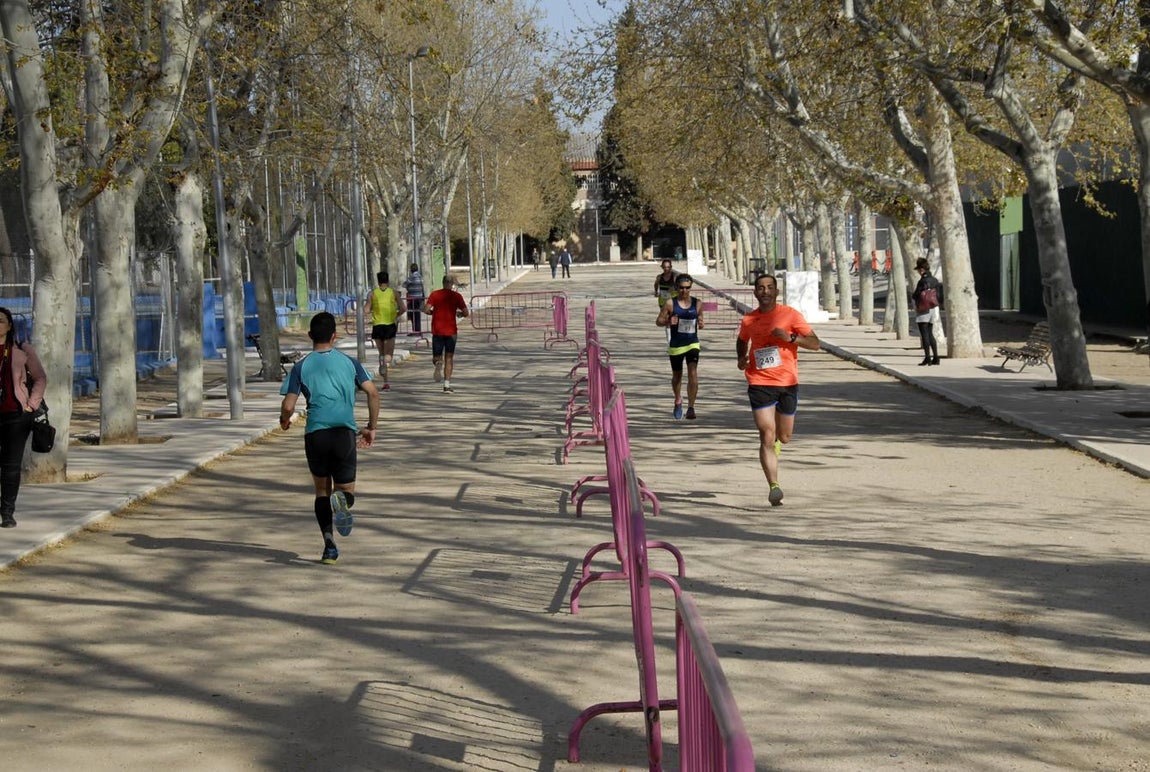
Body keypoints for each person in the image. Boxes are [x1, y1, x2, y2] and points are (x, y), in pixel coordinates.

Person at [279, 312, 380, 564]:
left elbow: (289, 405)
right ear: (335, 336)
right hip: (344, 433)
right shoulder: (350, 363)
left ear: (310, 335)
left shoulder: (300, 367)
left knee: (321, 491)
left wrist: (284, 420)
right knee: (346, 492)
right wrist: (370, 427)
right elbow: (373, 393)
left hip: (316, 435)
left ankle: (329, 545)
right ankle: (342, 501)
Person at [735, 273, 820, 507]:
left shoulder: (790, 315)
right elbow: (742, 340)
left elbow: (815, 343)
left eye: (769, 287)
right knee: (766, 435)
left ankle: (778, 445)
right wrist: (741, 357)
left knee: (784, 436)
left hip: (787, 383)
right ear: (755, 292)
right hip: (759, 381)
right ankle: (774, 486)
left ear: (776, 292)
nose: (765, 291)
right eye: (760, 288)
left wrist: (791, 338)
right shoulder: (749, 320)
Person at [0, 307, 46, 528]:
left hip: (16, 416)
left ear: (9, 325)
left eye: (1, 321)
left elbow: (40, 378)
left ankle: (7, 513)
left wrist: (31, 404)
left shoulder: (21, 349)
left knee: (10, 467)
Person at [656, 273, 704, 420]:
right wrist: (669, 321)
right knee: (677, 376)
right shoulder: (671, 303)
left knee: (693, 373)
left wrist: (701, 323)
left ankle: (691, 407)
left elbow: (700, 319)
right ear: (677, 287)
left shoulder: (697, 303)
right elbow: (658, 321)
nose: (684, 291)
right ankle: (678, 400)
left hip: (692, 343)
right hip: (676, 345)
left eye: (687, 288)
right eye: (682, 288)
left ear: (691, 287)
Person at [422, 275, 470, 394]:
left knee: (437, 357)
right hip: (451, 331)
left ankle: (438, 363)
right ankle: (447, 385)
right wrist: (459, 314)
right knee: (449, 358)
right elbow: (466, 312)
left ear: (443, 282)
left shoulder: (435, 294)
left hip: (438, 330)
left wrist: (433, 312)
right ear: (452, 284)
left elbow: (426, 309)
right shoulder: (457, 296)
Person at [365, 271, 400, 389]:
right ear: (388, 280)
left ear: (378, 281)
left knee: (381, 353)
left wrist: (369, 308)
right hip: (390, 325)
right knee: (389, 355)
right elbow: (404, 308)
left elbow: (366, 310)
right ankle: (384, 365)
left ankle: (385, 382)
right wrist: (396, 314)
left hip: (377, 326)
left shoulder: (372, 293)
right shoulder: (393, 293)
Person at [911, 257, 944, 366]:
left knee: (924, 333)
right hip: (933, 308)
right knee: (930, 333)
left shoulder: (922, 281)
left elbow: (916, 295)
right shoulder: (934, 280)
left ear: (921, 270)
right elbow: (939, 295)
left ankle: (927, 358)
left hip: (923, 309)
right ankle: (936, 357)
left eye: (919, 270)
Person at [404, 263, 425, 335]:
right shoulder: (420, 277)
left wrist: (408, 287)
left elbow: (404, 284)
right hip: (419, 297)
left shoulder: (412, 277)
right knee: (417, 314)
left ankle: (415, 331)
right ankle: (418, 330)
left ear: (411, 270)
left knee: (413, 315)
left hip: (413, 298)